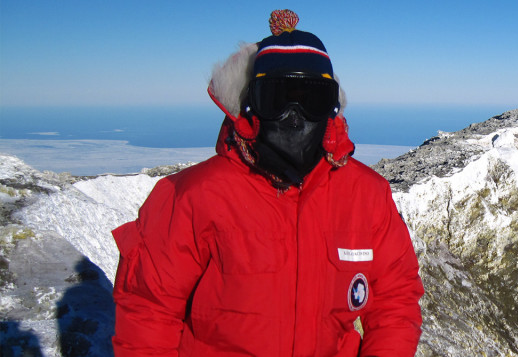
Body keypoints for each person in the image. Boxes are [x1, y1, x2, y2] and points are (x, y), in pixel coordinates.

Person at [110, 10, 424, 356]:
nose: (295, 115)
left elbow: (395, 301)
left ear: (333, 108)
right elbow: (148, 313)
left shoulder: (367, 196)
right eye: (277, 99)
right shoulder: (191, 197)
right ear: (249, 104)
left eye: (312, 100)